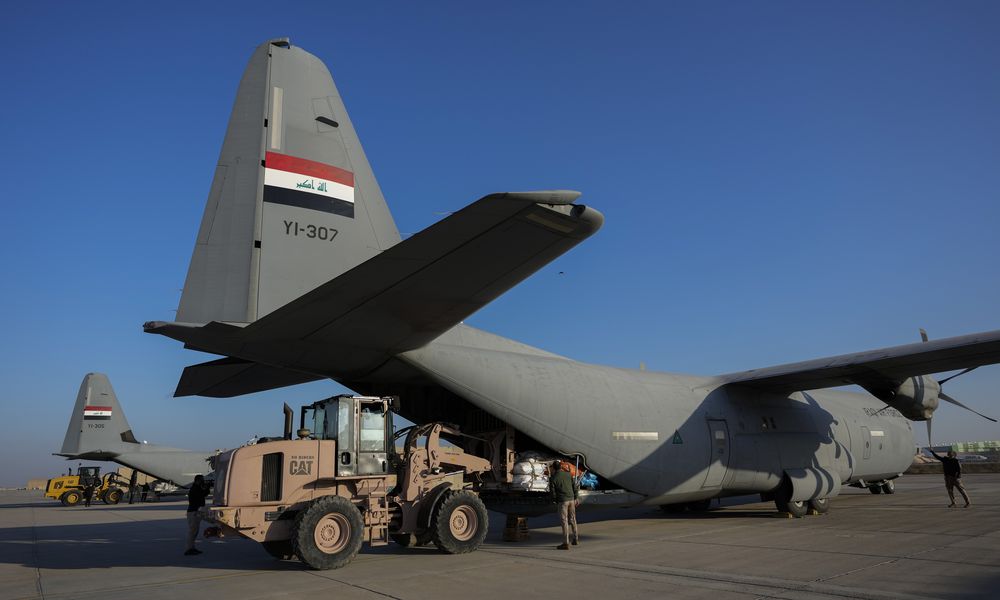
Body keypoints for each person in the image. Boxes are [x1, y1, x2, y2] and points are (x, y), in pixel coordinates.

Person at [550, 460, 579, 549]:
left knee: (564, 521)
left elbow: (553, 493)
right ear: (561, 467)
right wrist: (576, 497)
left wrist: (555, 500)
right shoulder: (568, 474)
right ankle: (575, 539)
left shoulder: (553, 478)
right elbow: (575, 486)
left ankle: (566, 543)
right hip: (571, 500)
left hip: (563, 501)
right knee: (573, 519)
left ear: (554, 468)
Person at [184, 475, 210, 555]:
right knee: (193, 531)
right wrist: (206, 488)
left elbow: (204, 494)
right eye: (202, 480)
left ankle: (192, 548)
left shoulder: (196, 488)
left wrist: (206, 488)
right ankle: (189, 549)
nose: (203, 482)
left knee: (194, 531)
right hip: (193, 512)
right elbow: (201, 495)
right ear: (198, 481)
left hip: (195, 511)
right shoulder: (195, 489)